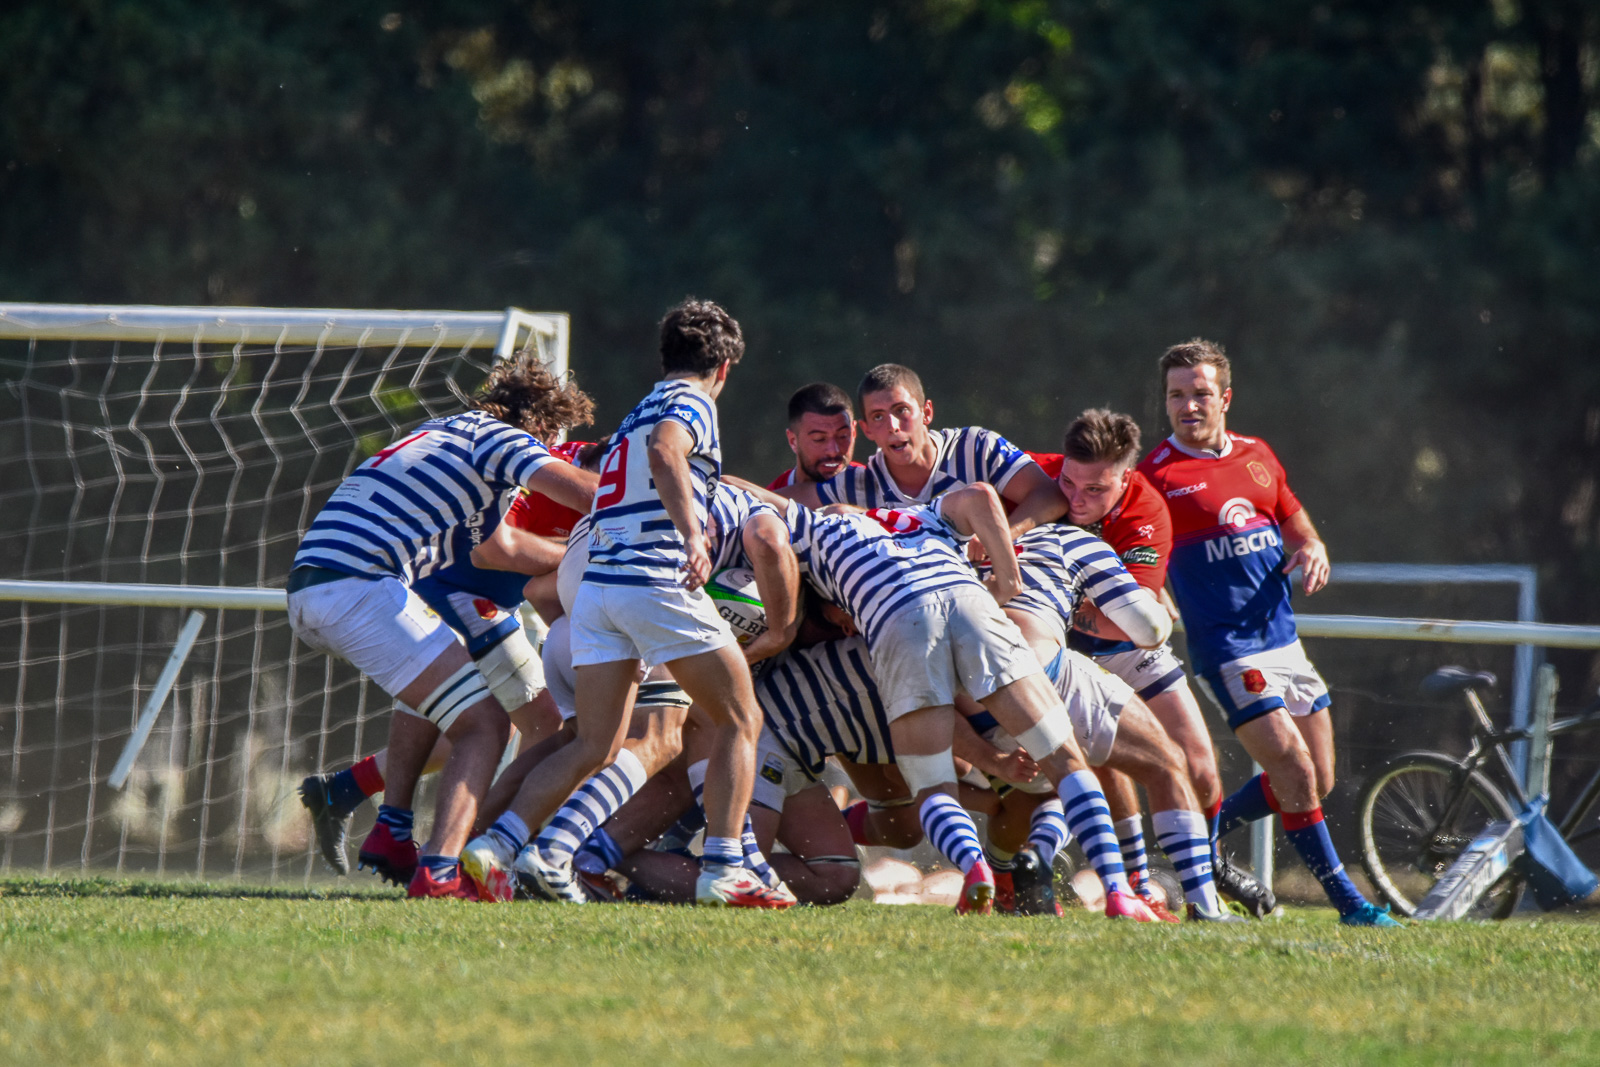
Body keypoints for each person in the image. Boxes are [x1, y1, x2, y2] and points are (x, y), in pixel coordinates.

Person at [462, 299, 794, 909]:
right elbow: (667, 452)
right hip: (653, 580)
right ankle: (725, 869)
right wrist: (694, 534)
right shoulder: (689, 402)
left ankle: (503, 847)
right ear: (722, 367)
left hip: (599, 590)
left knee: (597, 743)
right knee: (740, 718)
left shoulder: (637, 408)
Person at [285, 352, 597, 899]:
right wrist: (665, 511)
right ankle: (441, 870)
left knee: (464, 710)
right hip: (359, 583)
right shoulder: (505, 441)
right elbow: (584, 492)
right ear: (542, 424)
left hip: (321, 584)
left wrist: (571, 553)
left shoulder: (446, 430)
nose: (551, 445)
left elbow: (499, 547)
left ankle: (395, 832)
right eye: (552, 435)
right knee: (485, 727)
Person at [786, 488, 1160, 919]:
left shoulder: (818, 528)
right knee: (1067, 762)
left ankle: (976, 867)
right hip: (973, 606)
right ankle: (1119, 890)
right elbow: (981, 495)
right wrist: (1008, 580)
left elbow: (766, 519)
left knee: (932, 787)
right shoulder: (923, 514)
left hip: (900, 626)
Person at [1138, 338, 1400, 928]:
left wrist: (1311, 544)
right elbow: (1128, 540)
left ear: (1224, 397)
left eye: (1200, 393)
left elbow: (1291, 515)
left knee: (1318, 779)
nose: (1188, 406)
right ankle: (1350, 905)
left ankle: (1196, 839)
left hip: (1284, 640)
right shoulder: (1155, 475)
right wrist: (1148, 588)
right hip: (1227, 648)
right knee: (1295, 772)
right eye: (1176, 395)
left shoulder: (1257, 455)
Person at [1033, 410, 1271, 914]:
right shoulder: (1034, 473)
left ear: (1126, 476)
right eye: (1069, 483)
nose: (1076, 499)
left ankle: (1207, 866)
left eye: (1096, 490)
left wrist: (1075, 607)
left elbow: (1132, 627)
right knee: (1109, 758)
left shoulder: (1146, 508)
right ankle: (1143, 884)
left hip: (1128, 650)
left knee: (1201, 767)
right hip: (1063, 651)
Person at [785, 364, 1066, 540]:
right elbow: (781, 501)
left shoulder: (974, 446)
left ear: (927, 412)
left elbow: (1049, 495)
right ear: (867, 429)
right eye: (879, 417)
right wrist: (738, 489)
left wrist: (999, 537)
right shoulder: (856, 484)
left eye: (901, 411)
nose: (893, 426)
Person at [767, 382, 861, 491]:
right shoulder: (766, 503)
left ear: (854, 432)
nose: (833, 451)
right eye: (819, 439)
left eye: (843, 436)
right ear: (793, 441)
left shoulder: (875, 487)